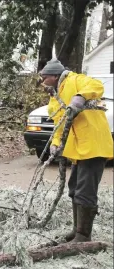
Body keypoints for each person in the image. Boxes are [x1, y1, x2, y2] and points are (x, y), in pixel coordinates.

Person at [39, 58, 113, 242]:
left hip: (93, 145)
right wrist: (56, 143)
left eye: (44, 77)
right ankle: (77, 229)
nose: (42, 81)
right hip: (79, 149)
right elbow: (59, 121)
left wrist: (80, 97)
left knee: (85, 191)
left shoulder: (76, 80)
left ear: (55, 76)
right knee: (74, 188)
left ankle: (83, 236)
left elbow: (96, 85)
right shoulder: (56, 95)